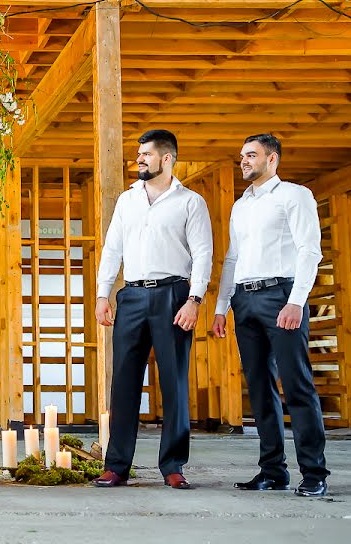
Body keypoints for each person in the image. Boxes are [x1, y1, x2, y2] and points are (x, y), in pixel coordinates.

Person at [93, 129, 213, 490]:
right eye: (138, 154)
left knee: (174, 383)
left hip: (174, 296)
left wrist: (194, 300)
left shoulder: (190, 202)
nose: (140, 159)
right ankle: (116, 466)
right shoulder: (127, 201)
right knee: (124, 385)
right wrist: (102, 294)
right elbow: (112, 248)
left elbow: (203, 253)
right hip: (131, 297)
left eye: (146, 154)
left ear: (167, 158)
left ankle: (173, 466)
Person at [212, 134, 329, 497]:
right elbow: (232, 258)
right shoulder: (241, 205)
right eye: (242, 156)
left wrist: (296, 301)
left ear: (272, 159)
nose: (244, 161)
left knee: (297, 386)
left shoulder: (294, 196)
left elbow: (310, 250)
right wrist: (221, 307)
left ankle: (314, 474)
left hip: (281, 295)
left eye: (251, 155)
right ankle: (273, 471)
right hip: (245, 301)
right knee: (260, 390)